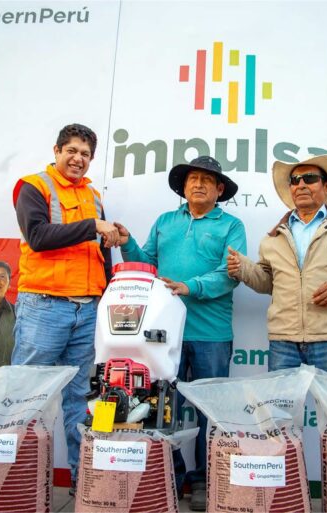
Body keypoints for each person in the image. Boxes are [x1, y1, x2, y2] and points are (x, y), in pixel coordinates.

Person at [114, 155, 246, 511]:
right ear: (183, 186)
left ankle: (205, 480)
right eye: (192, 178)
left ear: (220, 190)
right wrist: (127, 243)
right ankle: (168, 475)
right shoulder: (165, 221)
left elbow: (229, 274)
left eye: (207, 179)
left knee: (210, 412)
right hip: (163, 332)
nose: (199, 184)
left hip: (211, 334)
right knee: (158, 407)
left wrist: (190, 286)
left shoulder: (232, 226)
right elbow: (146, 262)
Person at [11, 123, 118, 487]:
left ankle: (83, 482)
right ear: (56, 150)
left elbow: (97, 251)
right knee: (27, 394)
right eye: (72, 151)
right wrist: (93, 227)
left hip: (87, 309)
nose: (78, 159)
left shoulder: (94, 196)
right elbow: (38, 237)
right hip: (44, 307)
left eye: (86, 154)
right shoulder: (34, 186)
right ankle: (17, 483)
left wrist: (111, 239)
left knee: (83, 400)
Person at [227, 154, 327, 377]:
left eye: (309, 178)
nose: (300, 185)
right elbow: (269, 283)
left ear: (326, 186)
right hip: (284, 340)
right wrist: (243, 268)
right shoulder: (273, 237)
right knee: (280, 410)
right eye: (295, 180)